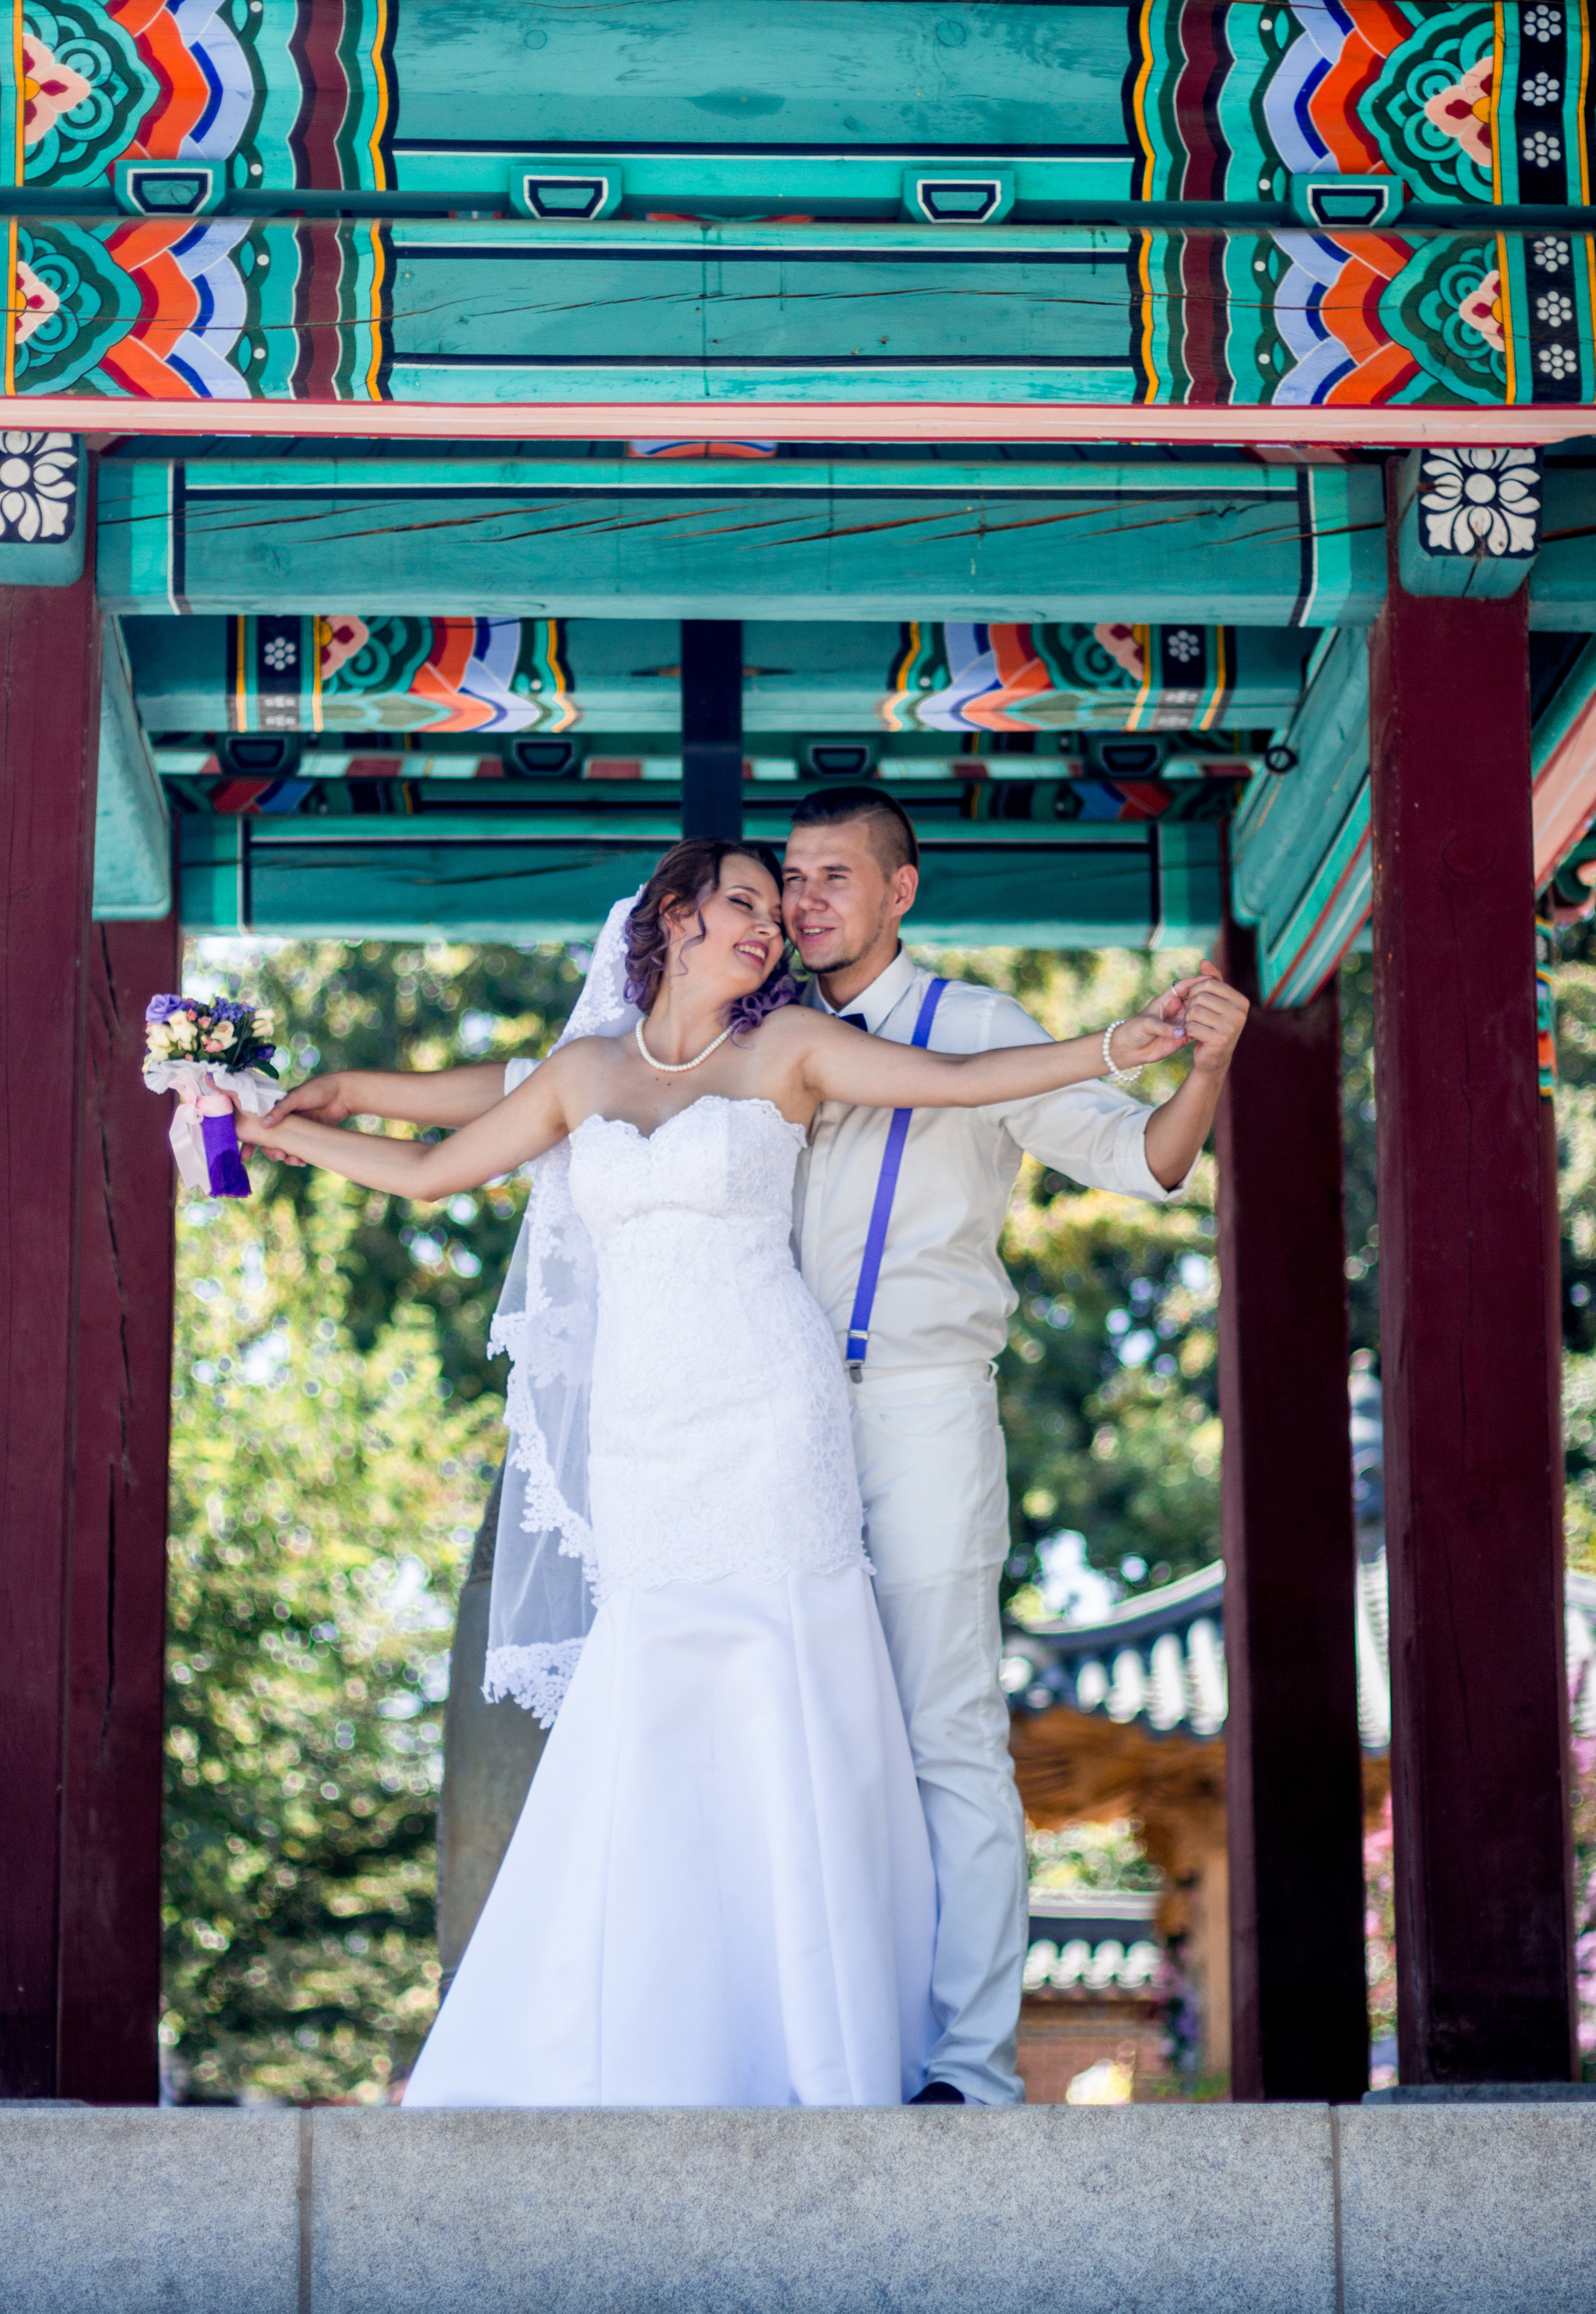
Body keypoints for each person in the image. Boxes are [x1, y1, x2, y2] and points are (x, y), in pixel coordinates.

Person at [235, 835, 1232, 2109]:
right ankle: (655, 2031)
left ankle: (863, 2048)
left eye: (791, 899)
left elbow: (962, 1077)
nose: (776, 923)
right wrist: (291, 1125)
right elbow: (440, 1158)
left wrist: (1114, 1049)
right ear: (673, 916)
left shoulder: (792, 1050)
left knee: (813, 1701)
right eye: (751, 901)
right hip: (647, 1434)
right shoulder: (585, 1071)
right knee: (650, 1703)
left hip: (775, 1409)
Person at [778, 785, 1247, 2105]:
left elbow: (1141, 1163)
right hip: (771, 1425)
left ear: (898, 891)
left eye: (833, 875)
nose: (807, 899)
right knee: (794, 1730)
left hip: (920, 1406)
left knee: (947, 1739)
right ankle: (825, 2047)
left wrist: (1201, 1066)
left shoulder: (973, 1027)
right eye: (792, 877)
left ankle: (971, 2070)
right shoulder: (756, 1032)